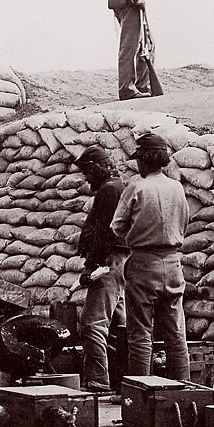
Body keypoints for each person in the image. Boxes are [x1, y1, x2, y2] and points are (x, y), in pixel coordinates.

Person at [110, 132, 190, 380]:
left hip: (143, 263)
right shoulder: (176, 187)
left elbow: (117, 227)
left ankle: (142, 390)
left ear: (144, 160)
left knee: (140, 331)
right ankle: (184, 387)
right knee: (175, 332)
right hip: (173, 262)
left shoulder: (137, 186)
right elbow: (185, 222)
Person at [73, 146, 128, 393]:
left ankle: (98, 381)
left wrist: (91, 266)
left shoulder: (109, 190)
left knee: (91, 323)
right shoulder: (119, 187)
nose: (86, 178)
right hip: (120, 262)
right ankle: (120, 379)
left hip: (108, 262)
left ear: (97, 168)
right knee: (117, 324)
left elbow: (103, 234)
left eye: (88, 172)